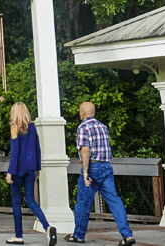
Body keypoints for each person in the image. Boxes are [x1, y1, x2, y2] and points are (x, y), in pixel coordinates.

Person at [65, 102, 136, 246]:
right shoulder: (103, 127)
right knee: (115, 201)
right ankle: (127, 236)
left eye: (80, 110)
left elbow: (85, 150)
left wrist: (85, 172)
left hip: (92, 168)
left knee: (83, 204)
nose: (79, 113)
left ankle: (78, 235)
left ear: (84, 112)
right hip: (106, 167)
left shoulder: (83, 127)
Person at [5, 102, 56, 245]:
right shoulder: (32, 127)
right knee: (30, 200)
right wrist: (38, 168)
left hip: (18, 169)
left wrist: (10, 172)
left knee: (16, 201)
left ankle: (18, 236)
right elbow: (37, 149)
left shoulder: (14, 127)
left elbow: (15, 152)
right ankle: (47, 227)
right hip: (31, 168)